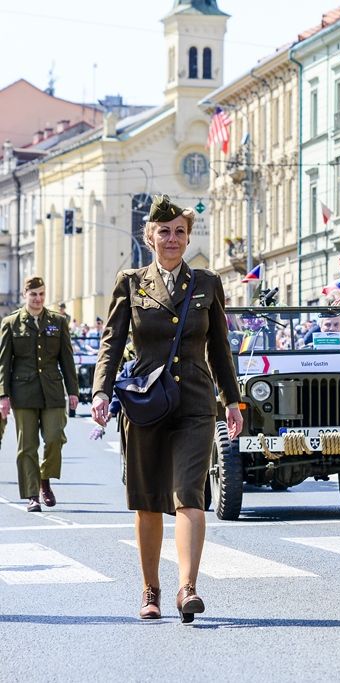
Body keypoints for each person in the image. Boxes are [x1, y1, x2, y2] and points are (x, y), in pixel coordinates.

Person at [90, 195, 243, 623]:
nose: (172, 239)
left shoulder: (207, 283)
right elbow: (112, 342)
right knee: (149, 501)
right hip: (145, 404)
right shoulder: (131, 283)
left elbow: (219, 349)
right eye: (164, 232)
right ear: (150, 237)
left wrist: (232, 400)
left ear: (188, 237)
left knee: (189, 495)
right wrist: (101, 391)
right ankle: (150, 588)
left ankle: (188, 587)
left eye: (179, 231)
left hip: (195, 402)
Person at [0, 276, 79, 512]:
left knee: (55, 438)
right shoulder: (11, 323)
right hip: (23, 392)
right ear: (26, 295)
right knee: (27, 446)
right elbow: (3, 363)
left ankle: (45, 478)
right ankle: (32, 494)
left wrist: (73, 392)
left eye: (42, 294)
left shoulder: (58, 321)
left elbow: (67, 359)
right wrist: (3, 396)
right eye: (34, 294)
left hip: (52, 391)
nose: (38, 298)